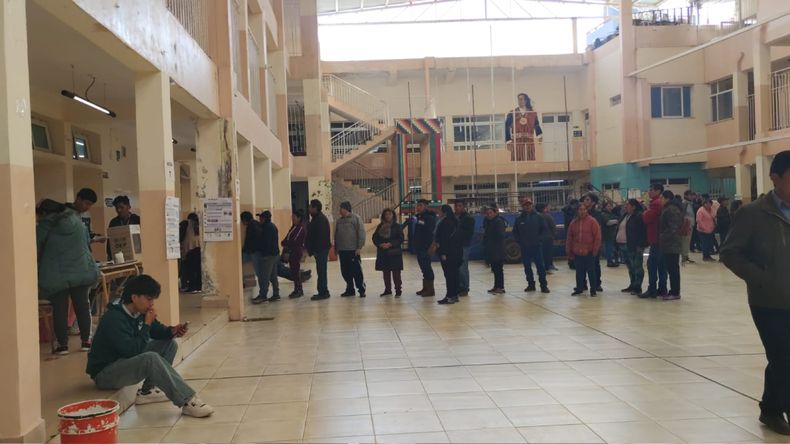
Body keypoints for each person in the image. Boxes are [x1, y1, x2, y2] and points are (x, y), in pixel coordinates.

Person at [721, 150, 790, 436]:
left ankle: (770, 410)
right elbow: (730, 253)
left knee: (781, 357)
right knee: (784, 356)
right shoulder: (752, 214)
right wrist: (761, 279)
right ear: (775, 178)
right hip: (768, 301)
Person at [86, 275, 213, 418]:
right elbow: (132, 351)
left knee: (169, 344)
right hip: (106, 373)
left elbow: (157, 330)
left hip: (123, 362)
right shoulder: (113, 318)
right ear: (134, 297)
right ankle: (188, 401)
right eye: (149, 299)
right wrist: (146, 325)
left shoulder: (139, 312)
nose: (151, 304)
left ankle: (147, 392)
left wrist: (172, 331)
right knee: (150, 359)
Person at [37, 199, 99, 355]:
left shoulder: (45, 226)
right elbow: (86, 242)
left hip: (56, 274)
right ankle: (86, 341)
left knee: (59, 310)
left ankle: (62, 345)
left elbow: (35, 247)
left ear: (45, 213)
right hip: (80, 271)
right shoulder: (77, 222)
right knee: (82, 306)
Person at [513, 199, 549, 293]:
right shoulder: (519, 219)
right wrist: (520, 241)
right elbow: (515, 232)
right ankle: (531, 285)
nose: (527, 206)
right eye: (525, 205)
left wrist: (539, 240)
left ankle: (543, 285)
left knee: (540, 267)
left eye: (529, 204)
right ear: (522, 206)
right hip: (525, 248)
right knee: (527, 267)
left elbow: (544, 230)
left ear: (532, 205)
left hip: (537, 247)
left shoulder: (539, 217)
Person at [566, 205, 602, 297]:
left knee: (591, 271)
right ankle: (579, 288)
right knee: (579, 272)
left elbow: (597, 237)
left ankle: (593, 290)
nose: (582, 211)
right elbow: (569, 238)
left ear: (587, 211)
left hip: (589, 251)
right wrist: (569, 250)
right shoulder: (573, 223)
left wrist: (595, 250)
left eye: (584, 209)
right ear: (577, 211)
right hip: (577, 252)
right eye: (580, 209)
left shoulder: (592, 221)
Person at [641, 183, 668, 298]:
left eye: (651, 190)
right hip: (660, 239)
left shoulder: (656, 204)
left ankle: (652, 289)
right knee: (662, 266)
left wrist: (645, 212)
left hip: (656, 239)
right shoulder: (659, 203)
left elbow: (646, 218)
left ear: (658, 191)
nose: (649, 192)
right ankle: (662, 288)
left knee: (652, 265)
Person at [335, 201, 366, 298]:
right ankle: (350, 289)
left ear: (346, 208)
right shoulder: (339, 221)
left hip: (353, 250)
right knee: (345, 271)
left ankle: (361, 289)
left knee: (356, 271)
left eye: (341, 208)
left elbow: (361, 233)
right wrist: (336, 248)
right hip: (342, 251)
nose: (339, 210)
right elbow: (336, 235)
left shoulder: (356, 218)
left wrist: (359, 247)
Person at [617, 199, 646, 295]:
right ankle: (632, 284)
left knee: (637, 267)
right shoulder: (625, 215)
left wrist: (640, 245)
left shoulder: (638, 216)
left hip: (634, 246)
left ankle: (638, 287)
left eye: (628, 205)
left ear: (633, 206)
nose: (625, 206)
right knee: (630, 267)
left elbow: (642, 232)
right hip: (624, 245)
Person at [372, 208, 404, 297]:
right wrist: (380, 244)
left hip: (394, 253)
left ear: (393, 215)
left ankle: (398, 290)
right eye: (386, 214)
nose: (388, 216)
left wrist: (391, 244)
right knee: (386, 273)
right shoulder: (380, 226)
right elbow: (375, 237)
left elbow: (400, 238)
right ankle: (387, 290)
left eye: (390, 214)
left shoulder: (397, 226)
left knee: (396, 273)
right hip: (383, 253)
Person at [435, 205, 462, 305]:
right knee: (454, 274)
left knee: (449, 275)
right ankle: (454, 295)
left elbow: (444, 239)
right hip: (456, 252)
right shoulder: (455, 221)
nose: (438, 212)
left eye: (440, 211)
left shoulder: (445, 223)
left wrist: (443, 253)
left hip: (448, 253)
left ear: (444, 212)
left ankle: (450, 296)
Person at [659, 191, 683, 300]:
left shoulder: (672, 209)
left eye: (662, 198)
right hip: (670, 243)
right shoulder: (669, 208)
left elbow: (673, 228)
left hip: (672, 244)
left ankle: (675, 292)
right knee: (672, 268)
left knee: (673, 269)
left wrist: (662, 237)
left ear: (667, 198)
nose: (660, 200)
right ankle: (673, 290)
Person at [504, 92, 543, 161]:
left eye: (522, 99)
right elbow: (507, 126)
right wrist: (508, 141)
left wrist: (539, 135)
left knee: (530, 158)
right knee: (517, 158)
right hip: (517, 141)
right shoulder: (512, 113)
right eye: (519, 99)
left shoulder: (532, 113)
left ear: (526, 100)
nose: (520, 101)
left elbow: (536, 124)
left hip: (529, 140)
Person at [306, 200, 331, 300]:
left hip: (321, 250)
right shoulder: (316, 218)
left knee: (321, 271)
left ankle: (323, 292)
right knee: (320, 271)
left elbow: (320, 237)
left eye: (310, 207)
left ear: (315, 208)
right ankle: (322, 291)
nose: (309, 209)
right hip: (319, 250)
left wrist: (315, 251)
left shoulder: (320, 219)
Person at [254, 211, 280, 303]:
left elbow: (266, 243)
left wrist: (264, 254)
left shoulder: (267, 228)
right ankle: (276, 294)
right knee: (273, 276)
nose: (259, 219)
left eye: (261, 218)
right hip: (274, 255)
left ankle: (263, 295)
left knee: (264, 277)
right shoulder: (272, 226)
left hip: (268, 256)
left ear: (264, 219)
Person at [413, 199, 437, 297]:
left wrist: (428, 246)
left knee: (427, 267)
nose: (418, 207)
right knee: (423, 267)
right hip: (419, 246)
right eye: (417, 205)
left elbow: (429, 233)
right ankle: (426, 288)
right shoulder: (420, 216)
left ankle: (430, 290)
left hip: (425, 247)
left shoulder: (429, 217)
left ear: (426, 206)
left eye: (420, 205)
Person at [582, 193, 605, 291]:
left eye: (587, 200)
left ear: (593, 202)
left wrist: (597, 244)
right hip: (582, 243)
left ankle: (596, 284)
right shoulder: (580, 213)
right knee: (582, 264)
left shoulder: (597, 214)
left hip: (593, 243)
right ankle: (582, 284)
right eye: (585, 200)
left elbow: (598, 230)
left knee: (595, 264)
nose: (585, 202)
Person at [106, 195, 141, 260]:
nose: (119, 210)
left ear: (128, 207)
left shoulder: (137, 220)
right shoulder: (113, 222)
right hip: (118, 257)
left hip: (137, 256)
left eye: (121, 207)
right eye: (116, 208)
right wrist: (110, 257)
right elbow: (110, 242)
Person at [282, 210, 307, 299]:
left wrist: (286, 243)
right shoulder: (294, 227)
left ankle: (299, 290)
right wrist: (284, 242)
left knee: (296, 271)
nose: (292, 219)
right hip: (291, 252)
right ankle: (296, 289)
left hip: (296, 251)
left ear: (299, 218)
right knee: (293, 271)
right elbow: (287, 238)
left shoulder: (300, 228)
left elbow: (294, 241)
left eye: (294, 217)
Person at [482, 205, 507, 294]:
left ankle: (500, 287)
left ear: (495, 213)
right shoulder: (490, 222)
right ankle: (496, 286)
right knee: (495, 269)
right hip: (492, 249)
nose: (488, 215)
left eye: (490, 213)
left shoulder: (498, 222)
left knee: (498, 269)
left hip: (498, 249)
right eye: (487, 213)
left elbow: (500, 236)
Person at [455, 200, 475, 297]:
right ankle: (459, 286)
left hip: (464, 245)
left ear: (464, 207)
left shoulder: (468, 219)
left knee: (463, 267)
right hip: (456, 246)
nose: (457, 208)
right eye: (456, 206)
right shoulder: (456, 218)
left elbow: (465, 233)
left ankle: (464, 287)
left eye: (459, 206)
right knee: (457, 267)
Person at [181, 213, 202, 293]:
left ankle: (192, 287)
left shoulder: (186, 223)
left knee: (190, 269)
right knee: (199, 269)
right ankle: (199, 286)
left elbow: (181, 236)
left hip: (189, 249)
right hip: (199, 248)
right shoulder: (199, 223)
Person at [536, 203, 558, 273]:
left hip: (539, 239)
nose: (549, 208)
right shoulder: (548, 216)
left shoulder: (535, 216)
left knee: (541, 254)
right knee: (548, 254)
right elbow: (553, 227)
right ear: (544, 209)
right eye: (547, 207)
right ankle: (547, 268)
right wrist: (554, 236)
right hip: (548, 238)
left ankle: (541, 268)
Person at [601, 201, 620, 268]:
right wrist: (617, 221)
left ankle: (612, 260)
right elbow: (608, 222)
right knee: (609, 248)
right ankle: (609, 261)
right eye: (608, 206)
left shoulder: (611, 214)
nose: (610, 207)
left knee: (612, 248)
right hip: (608, 234)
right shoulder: (604, 214)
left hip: (613, 234)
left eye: (610, 206)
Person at [562, 199, 580, 269]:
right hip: (575, 231)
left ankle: (571, 262)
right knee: (575, 247)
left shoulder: (566, 210)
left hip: (568, 231)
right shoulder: (574, 211)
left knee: (570, 247)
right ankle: (574, 263)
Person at [681, 190, 697, 264]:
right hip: (686, 226)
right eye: (690, 195)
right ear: (686, 195)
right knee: (685, 242)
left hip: (690, 226)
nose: (692, 197)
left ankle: (686, 256)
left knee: (687, 242)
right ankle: (684, 257)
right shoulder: (685, 204)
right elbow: (682, 215)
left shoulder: (690, 204)